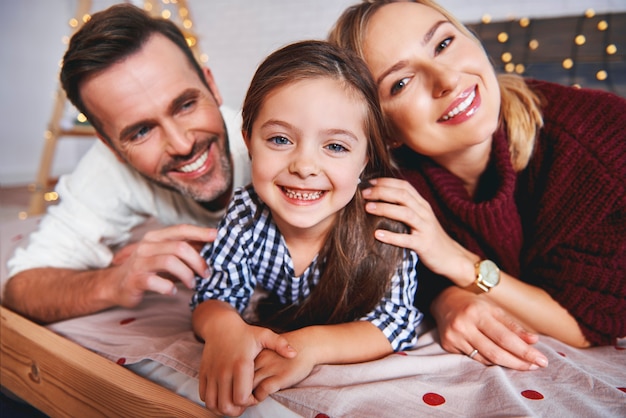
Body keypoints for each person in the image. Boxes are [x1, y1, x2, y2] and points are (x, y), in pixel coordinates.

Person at [329, 0, 626, 372]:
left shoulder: (599, 143)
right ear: (384, 131)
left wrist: (459, 263)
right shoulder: (389, 185)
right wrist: (444, 299)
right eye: (401, 83)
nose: (447, 80)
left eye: (443, 44)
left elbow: (587, 322)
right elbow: (391, 280)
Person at [191, 40, 423, 417]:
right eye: (280, 139)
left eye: (335, 146)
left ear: (366, 157)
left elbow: (394, 323)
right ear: (249, 140)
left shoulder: (385, 221)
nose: (304, 166)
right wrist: (224, 330)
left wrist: (308, 348)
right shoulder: (245, 214)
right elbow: (213, 295)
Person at [3, 4, 250, 323]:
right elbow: (22, 287)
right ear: (111, 146)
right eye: (142, 131)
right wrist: (115, 282)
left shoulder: (273, 145)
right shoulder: (107, 170)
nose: (182, 144)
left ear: (211, 87)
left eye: (186, 105)